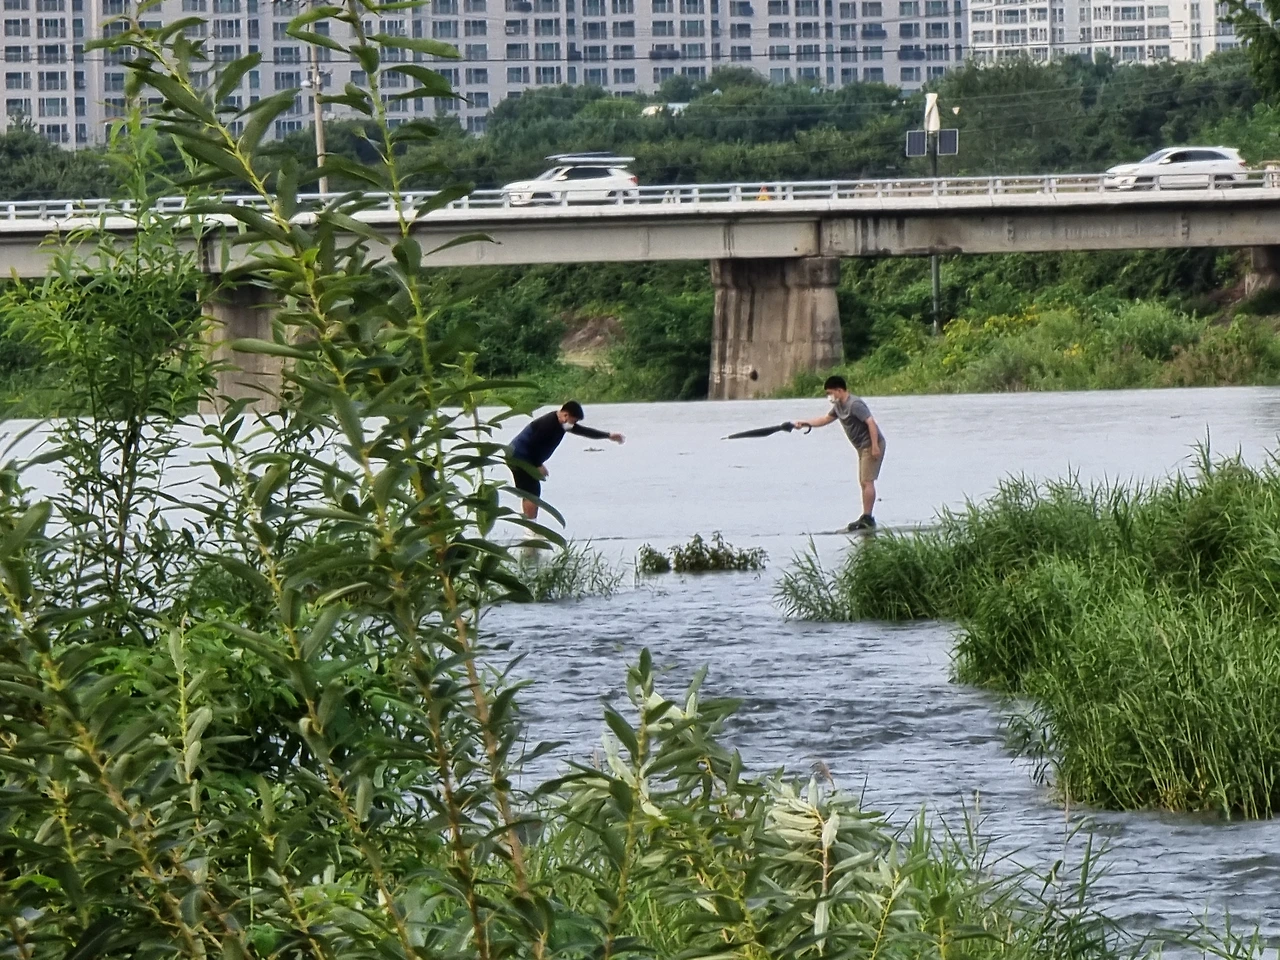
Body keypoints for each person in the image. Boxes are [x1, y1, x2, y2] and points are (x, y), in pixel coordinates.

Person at [792, 375, 885, 531]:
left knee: (867, 481)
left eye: (830, 393)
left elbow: (871, 423)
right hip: (861, 447)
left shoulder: (854, 404)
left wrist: (875, 446)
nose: (829, 396)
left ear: (839, 390)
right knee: (863, 482)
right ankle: (866, 516)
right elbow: (825, 419)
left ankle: (868, 518)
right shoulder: (838, 406)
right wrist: (805, 423)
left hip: (871, 444)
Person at [508, 400, 624, 520]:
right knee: (531, 493)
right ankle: (530, 527)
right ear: (565, 415)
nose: (574, 424)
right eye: (574, 421)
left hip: (524, 457)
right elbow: (533, 445)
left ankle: (530, 526)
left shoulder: (562, 423)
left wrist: (608, 435)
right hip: (518, 456)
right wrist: (538, 465)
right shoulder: (548, 424)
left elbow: (583, 431)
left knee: (531, 492)